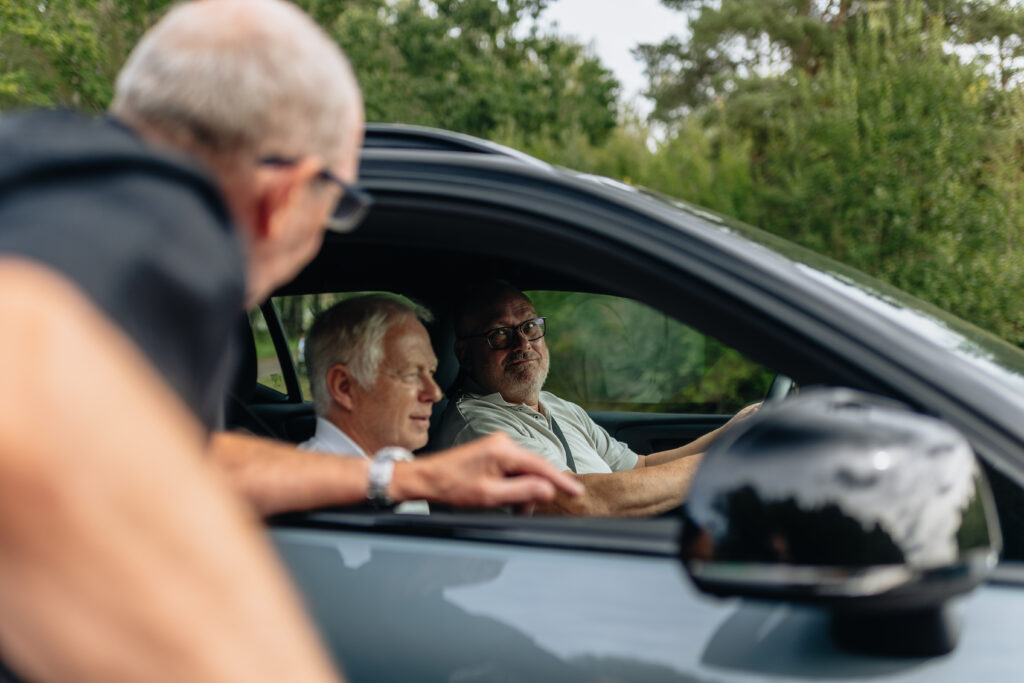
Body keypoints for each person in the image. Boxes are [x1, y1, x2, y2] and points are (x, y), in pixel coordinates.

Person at [0, 1, 579, 681]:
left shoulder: (46, 175)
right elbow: (30, 416)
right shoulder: (164, 231)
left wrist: (403, 478)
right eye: (338, 206)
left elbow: (168, 456)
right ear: (291, 192)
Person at [435, 281, 758, 516]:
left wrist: (730, 433)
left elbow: (640, 466)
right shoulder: (477, 429)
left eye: (530, 326)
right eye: (500, 334)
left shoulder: (556, 405)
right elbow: (576, 502)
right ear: (465, 355)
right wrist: (720, 466)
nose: (523, 344)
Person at [299, 294, 441, 514]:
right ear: (345, 387)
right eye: (411, 374)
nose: (435, 393)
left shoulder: (399, 462)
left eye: (431, 373)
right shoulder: (304, 497)